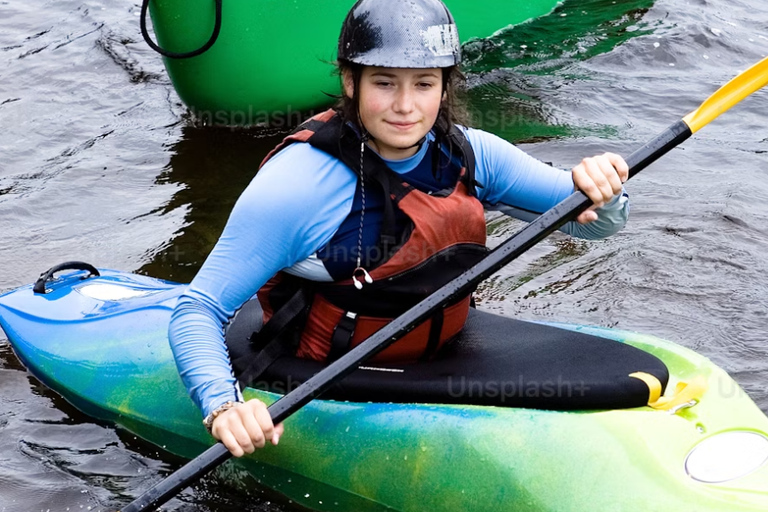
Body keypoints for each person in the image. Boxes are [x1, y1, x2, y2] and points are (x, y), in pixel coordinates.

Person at [168, 0, 630, 458]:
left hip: (439, 352)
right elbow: (198, 308)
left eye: (424, 84)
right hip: (326, 374)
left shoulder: (471, 155)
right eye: (385, 83)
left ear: (445, 87)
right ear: (351, 82)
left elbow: (593, 228)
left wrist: (603, 187)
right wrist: (223, 407)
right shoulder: (298, 186)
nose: (405, 107)